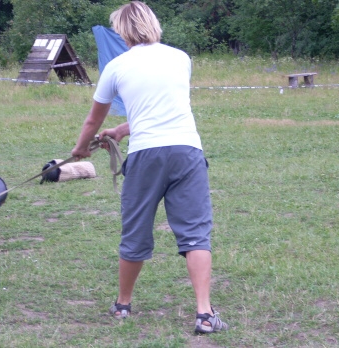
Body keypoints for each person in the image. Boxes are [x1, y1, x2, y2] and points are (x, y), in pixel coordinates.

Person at [71, 1, 228, 334]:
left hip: (146, 155)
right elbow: (161, 107)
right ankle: (204, 314)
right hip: (187, 151)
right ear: (153, 25)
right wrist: (121, 130)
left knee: (136, 230)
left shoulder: (116, 66)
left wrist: (81, 148)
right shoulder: (180, 58)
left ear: (123, 31)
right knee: (196, 232)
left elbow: (92, 119)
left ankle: (123, 305)